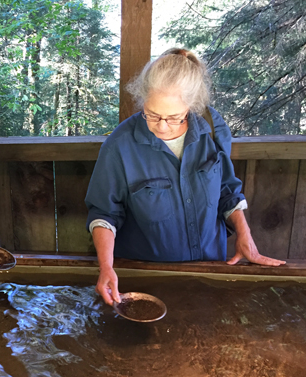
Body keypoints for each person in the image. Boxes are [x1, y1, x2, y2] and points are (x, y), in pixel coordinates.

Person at [85, 48, 286, 306]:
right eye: (152, 114)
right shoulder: (119, 146)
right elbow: (104, 213)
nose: (162, 126)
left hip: (210, 273)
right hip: (147, 282)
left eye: (174, 118)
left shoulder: (212, 129)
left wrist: (244, 235)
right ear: (142, 99)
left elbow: (226, 188)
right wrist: (106, 267)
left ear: (191, 107)